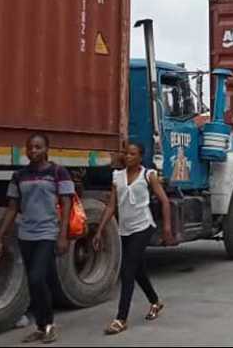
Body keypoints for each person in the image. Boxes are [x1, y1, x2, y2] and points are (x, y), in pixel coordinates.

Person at [0, 133, 74, 344]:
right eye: (30, 148)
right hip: (26, 234)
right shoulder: (19, 176)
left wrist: (63, 235)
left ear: (47, 149)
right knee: (34, 282)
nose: (33, 151)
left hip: (48, 232)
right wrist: (0, 237)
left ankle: (48, 325)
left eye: (38, 147)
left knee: (37, 278)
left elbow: (67, 204)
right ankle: (41, 326)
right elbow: (12, 208)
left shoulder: (58, 172)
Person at [94, 143, 175, 335]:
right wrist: (99, 230)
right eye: (126, 153)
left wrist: (167, 227)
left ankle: (121, 319)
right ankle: (155, 301)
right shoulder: (117, 177)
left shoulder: (149, 175)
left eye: (132, 154)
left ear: (140, 157)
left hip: (143, 227)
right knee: (138, 270)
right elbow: (111, 206)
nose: (128, 157)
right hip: (125, 229)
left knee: (127, 270)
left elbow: (164, 201)